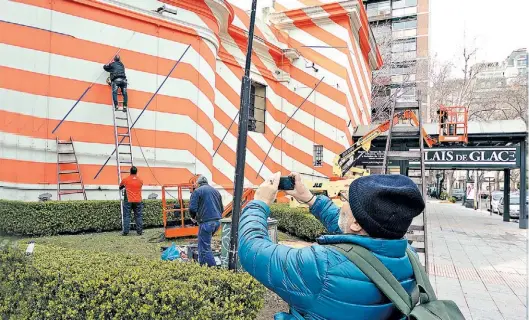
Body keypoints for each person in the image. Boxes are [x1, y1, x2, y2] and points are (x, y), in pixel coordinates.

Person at [238, 172, 425, 320]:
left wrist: (259, 203)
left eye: (346, 200)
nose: (342, 204)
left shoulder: (323, 266)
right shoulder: (409, 256)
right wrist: (310, 199)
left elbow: (252, 249)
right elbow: (351, 231)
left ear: (357, 224)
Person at [189, 176, 224, 267]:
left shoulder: (197, 191)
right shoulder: (216, 191)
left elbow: (192, 208)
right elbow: (222, 209)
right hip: (217, 222)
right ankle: (203, 265)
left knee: (204, 247)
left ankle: (212, 268)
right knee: (203, 245)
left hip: (206, 223)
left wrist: (193, 217)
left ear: (198, 184)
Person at [119, 166, 143, 236]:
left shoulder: (125, 179)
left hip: (128, 200)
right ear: (136, 172)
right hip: (138, 200)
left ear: (130, 171)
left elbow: (120, 187)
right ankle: (140, 231)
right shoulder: (140, 180)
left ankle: (126, 232)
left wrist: (125, 186)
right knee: (138, 216)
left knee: (127, 215)